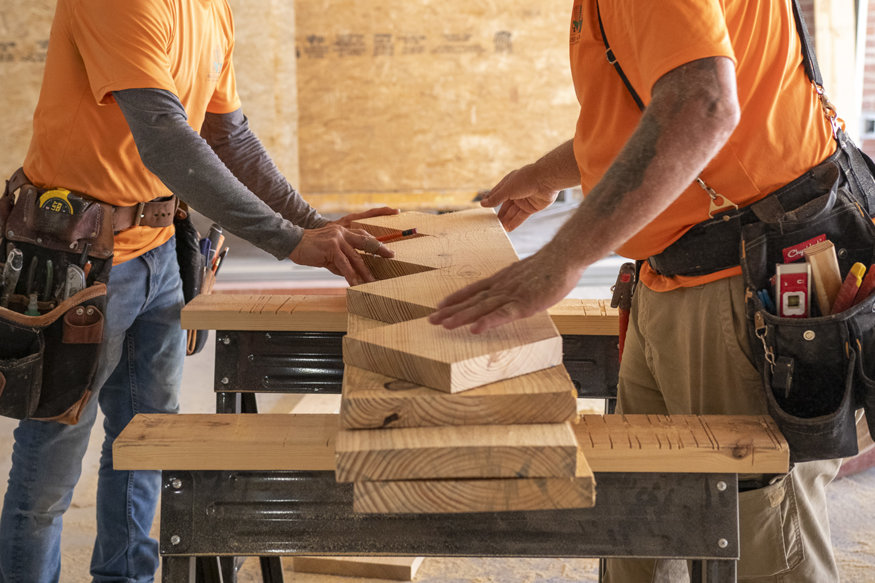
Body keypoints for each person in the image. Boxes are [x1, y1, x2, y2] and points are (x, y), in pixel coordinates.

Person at [430, 1, 844, 580]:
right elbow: (646, 116)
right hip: (671, 276)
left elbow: (703, 105)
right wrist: (545, 175)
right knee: (637, 513)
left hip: (738, 284)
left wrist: (561, 259)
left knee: (758, 539)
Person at [0, 0, 396, 581]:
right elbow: (165, 138)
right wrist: (287, 240)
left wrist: (310, 224)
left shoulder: (209, 7)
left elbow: (228, 135)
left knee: (146, 442)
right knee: (53, 458)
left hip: (161, 250)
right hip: (76, 264)